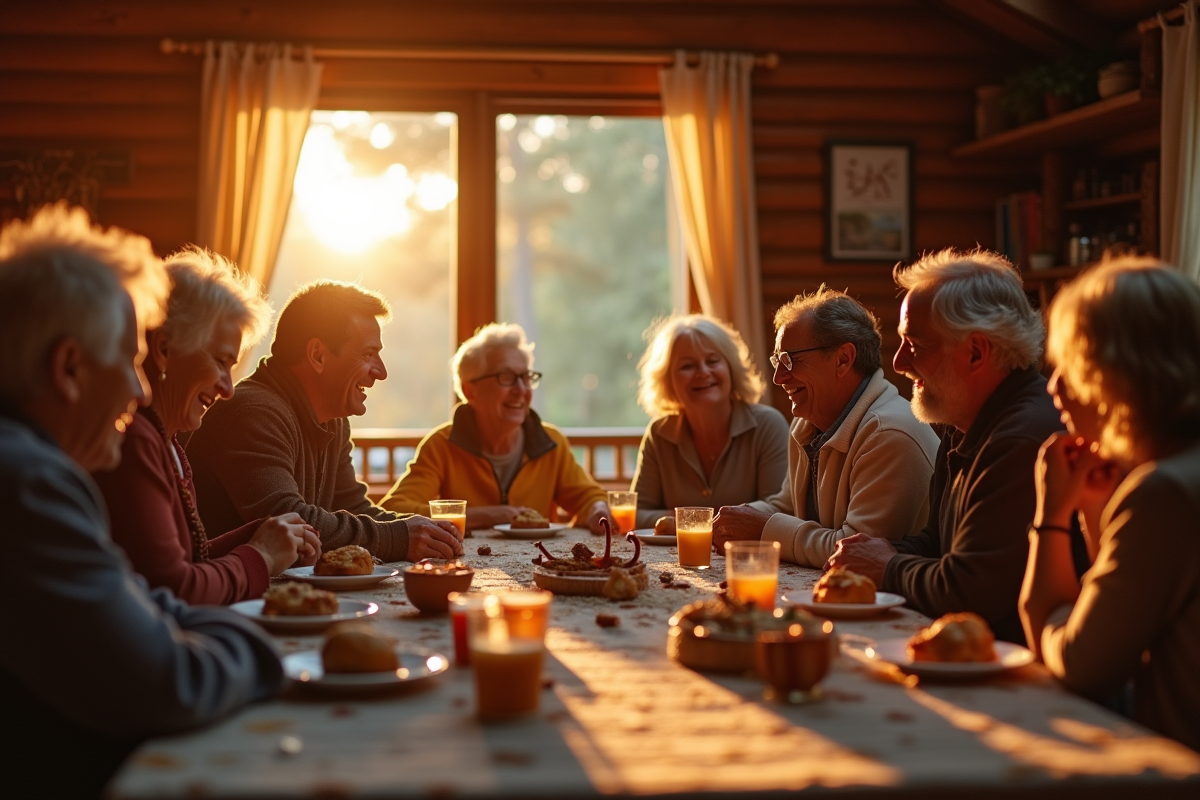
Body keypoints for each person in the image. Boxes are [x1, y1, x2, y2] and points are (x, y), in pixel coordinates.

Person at [0, 206, 283, 797]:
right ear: (70, 368)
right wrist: (266, 645)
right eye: (130, 360)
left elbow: (144, 596)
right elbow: (172, 681)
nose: (141, 389)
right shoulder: (25, 482)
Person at [828, 248, 1061, 643]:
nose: (898, 362)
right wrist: (874, 551)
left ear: (975, 352)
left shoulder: (1022, 439)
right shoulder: (963, 417)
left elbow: (971, 592)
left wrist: (886, 566)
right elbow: (938, 543)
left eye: (915, 344)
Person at [1020, 258, 1200, 751]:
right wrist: (1094, 513)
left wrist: (1052, 515)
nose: (1053, 387)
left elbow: (1083, 665)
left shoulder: (1165, 492)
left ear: (1119, 373)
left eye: (1072, 367)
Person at [92, 247, 321, 604]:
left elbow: (185, 558)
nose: (228, 389)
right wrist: (260, 556)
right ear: (166, 349)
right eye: (220, 361)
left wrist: (258, 537)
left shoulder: (168, 444)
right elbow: (176, 589)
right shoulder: (134, 441)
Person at [187, 280, 461, 561]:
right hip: (233, 597)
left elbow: (353, 508)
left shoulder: (332, 419)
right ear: (317, 354)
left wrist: (425, 530)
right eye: (368, 354)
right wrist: (400, 537)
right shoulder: (252, 412)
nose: (381, 372)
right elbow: (291, 519)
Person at [712, 287, 939, 566]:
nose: (779, 377)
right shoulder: (808, 423)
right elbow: (787, 507)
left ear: (843, 359)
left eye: (789, 360)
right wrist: (727, 520)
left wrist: (761, 529)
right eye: (777, 361)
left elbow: (855, 552)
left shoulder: (889, 434)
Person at [380, 323, 610, 532]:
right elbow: (394, 509)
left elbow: (589, 497)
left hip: (537, 563)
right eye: (507, 377)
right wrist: (486, 515)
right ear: (471, 392)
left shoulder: (551, 442)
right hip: (465, 566)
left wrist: (598, 509)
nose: (522, 390)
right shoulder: (441, 445)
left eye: (526, 377)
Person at [631, 314, 789, 529]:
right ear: (668, 380)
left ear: (731, 368)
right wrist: (694, 519)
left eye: (713, 361)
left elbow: (781, 509)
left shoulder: (769, 425)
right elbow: (634, 513)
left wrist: (682, 519)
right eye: (687, 366)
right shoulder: (659, 433)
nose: (703, 372)